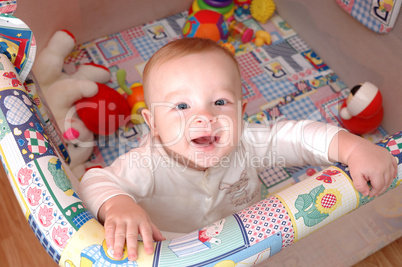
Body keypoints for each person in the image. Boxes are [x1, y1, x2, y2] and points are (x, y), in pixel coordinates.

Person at [78, 38, 397, 261]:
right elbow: (94, 181)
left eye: (220, 102)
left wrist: (353, 148)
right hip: (172, 250)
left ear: (241, 112)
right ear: (154, 123)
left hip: (249, 242)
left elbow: (299, 137)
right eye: (181, 106)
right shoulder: (146, 163)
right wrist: (119, 205)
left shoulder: (246, 142)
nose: (204, 117)